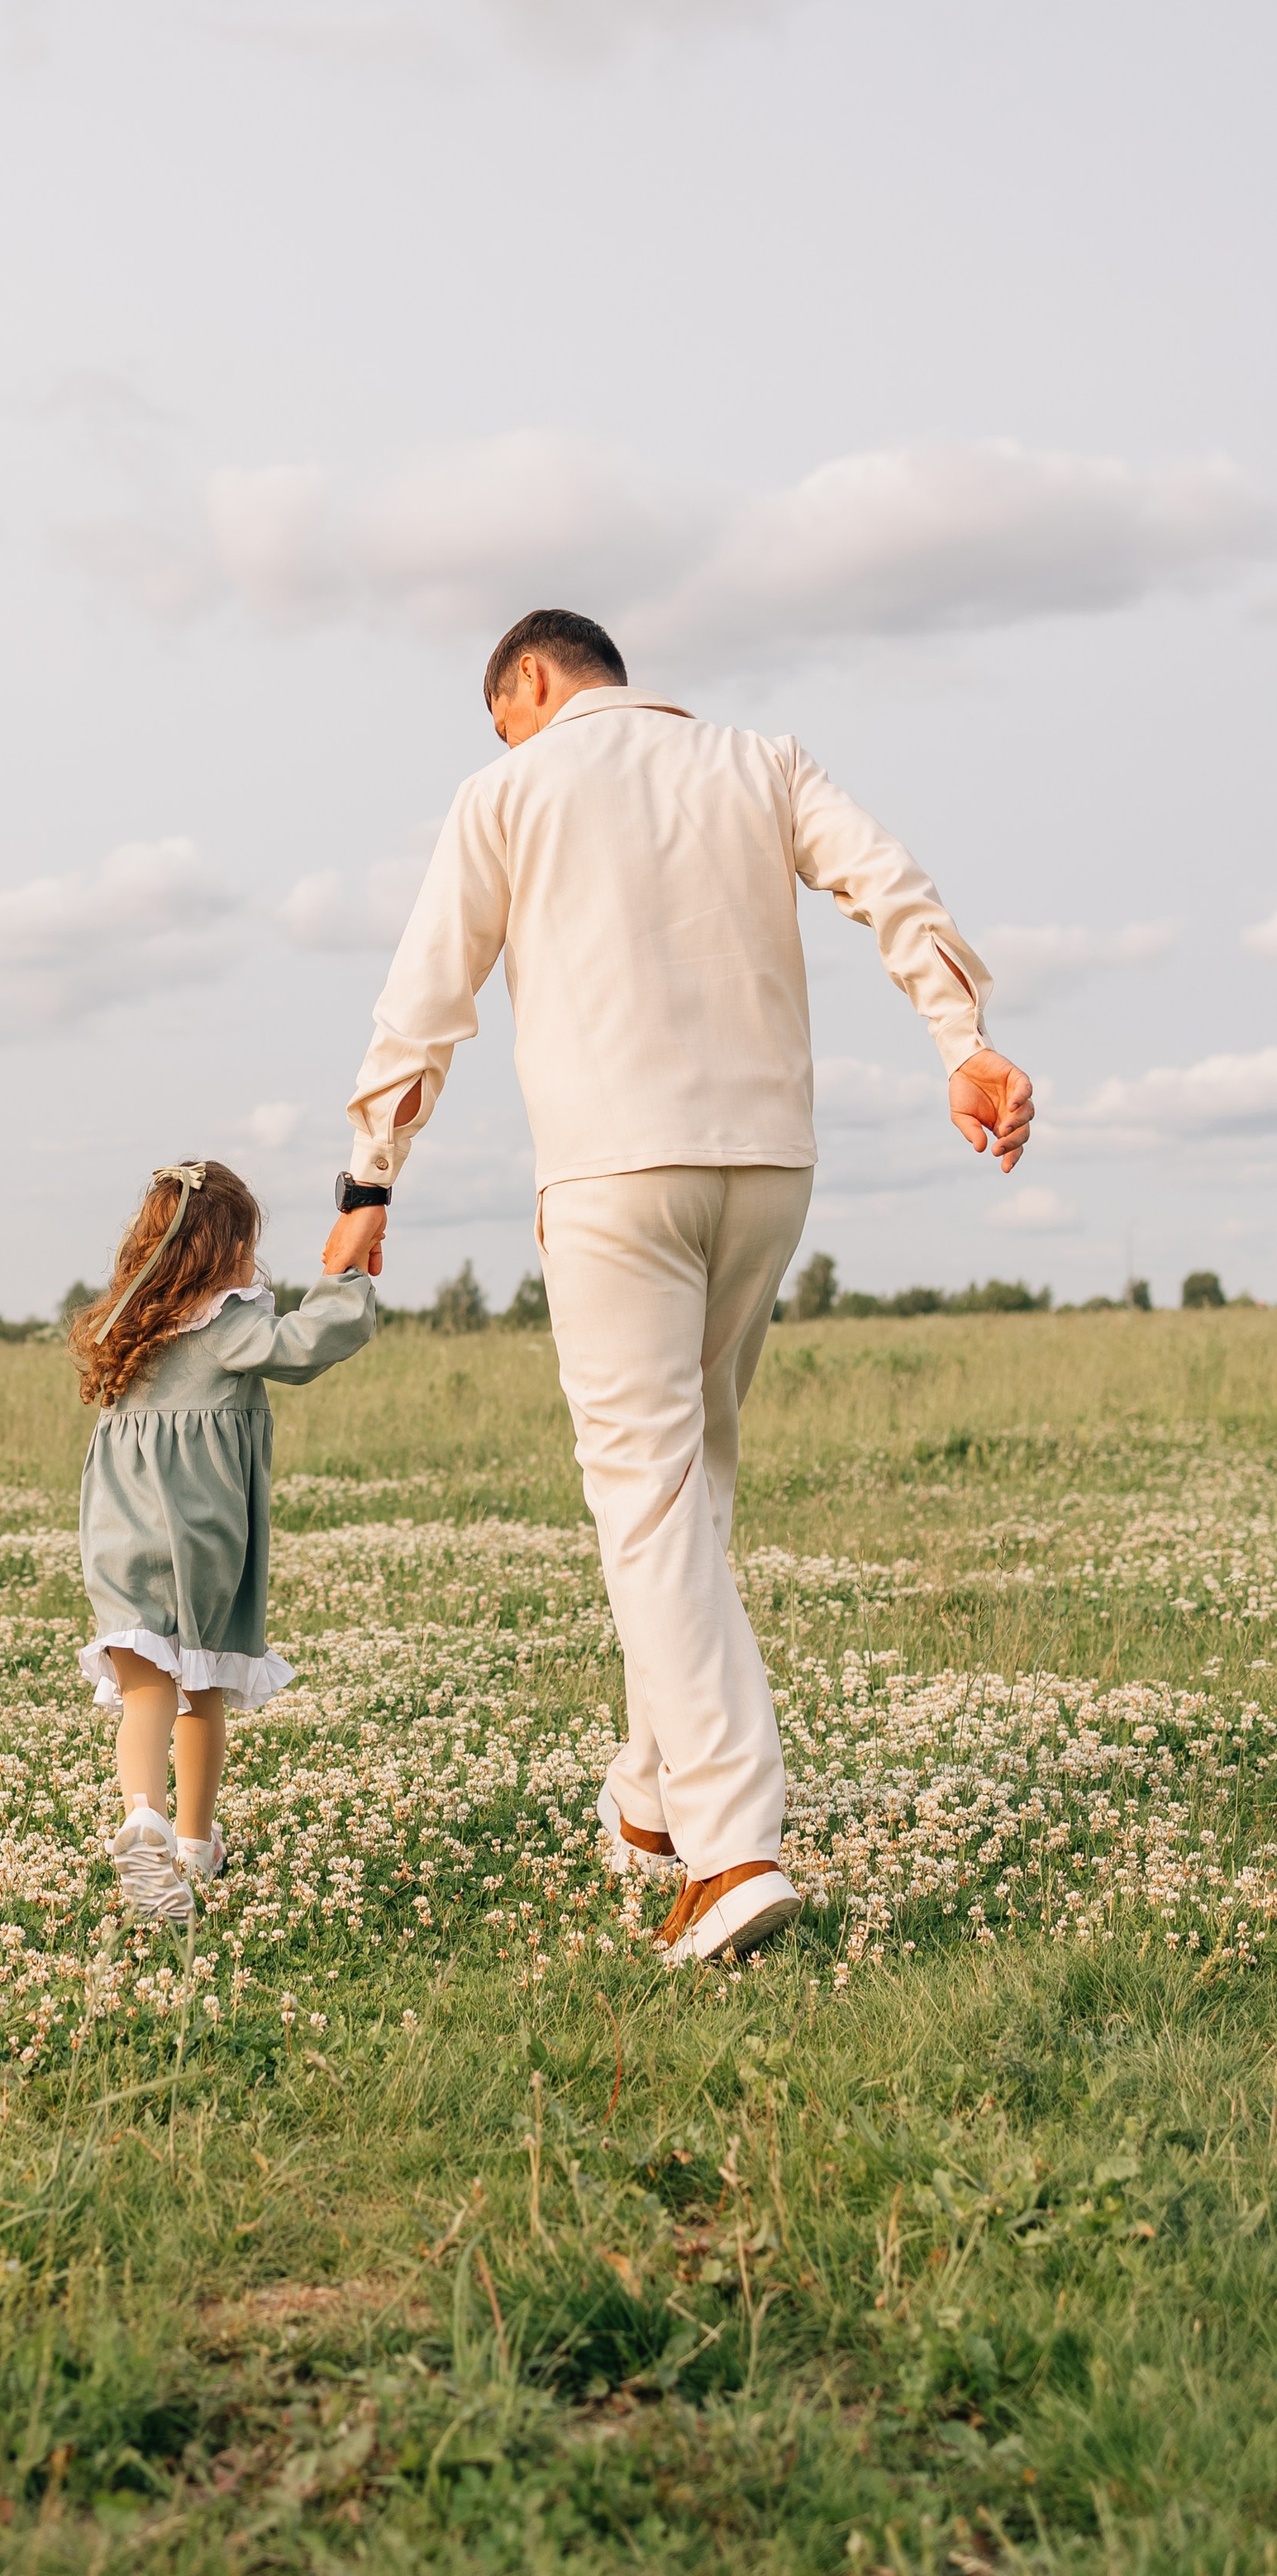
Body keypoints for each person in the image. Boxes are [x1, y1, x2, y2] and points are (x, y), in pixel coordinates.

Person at [324, 607, 1033, 1967]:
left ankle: (732, 1852)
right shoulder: (763, 761)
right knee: (693, 1479)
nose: (508, 734)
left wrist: (369, 1181)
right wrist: (967, 1040)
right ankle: (649, 1807)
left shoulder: (506, 789)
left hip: (612, 1170)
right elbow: (888, 881)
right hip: (768, 1163)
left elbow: (426, 999)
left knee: (644, 1501)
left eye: (504, 713)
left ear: (529, 681)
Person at [70, 1159, 381, 1926]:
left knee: (146, 1688)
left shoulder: (128, 1324)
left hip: (115, 1533)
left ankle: (142, 1817)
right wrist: (345, 1277)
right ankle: (193, 1842)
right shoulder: (225, 1320)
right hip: (199, 1537)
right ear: (226, 1250)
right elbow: (307, 1344)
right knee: (201, 1689)